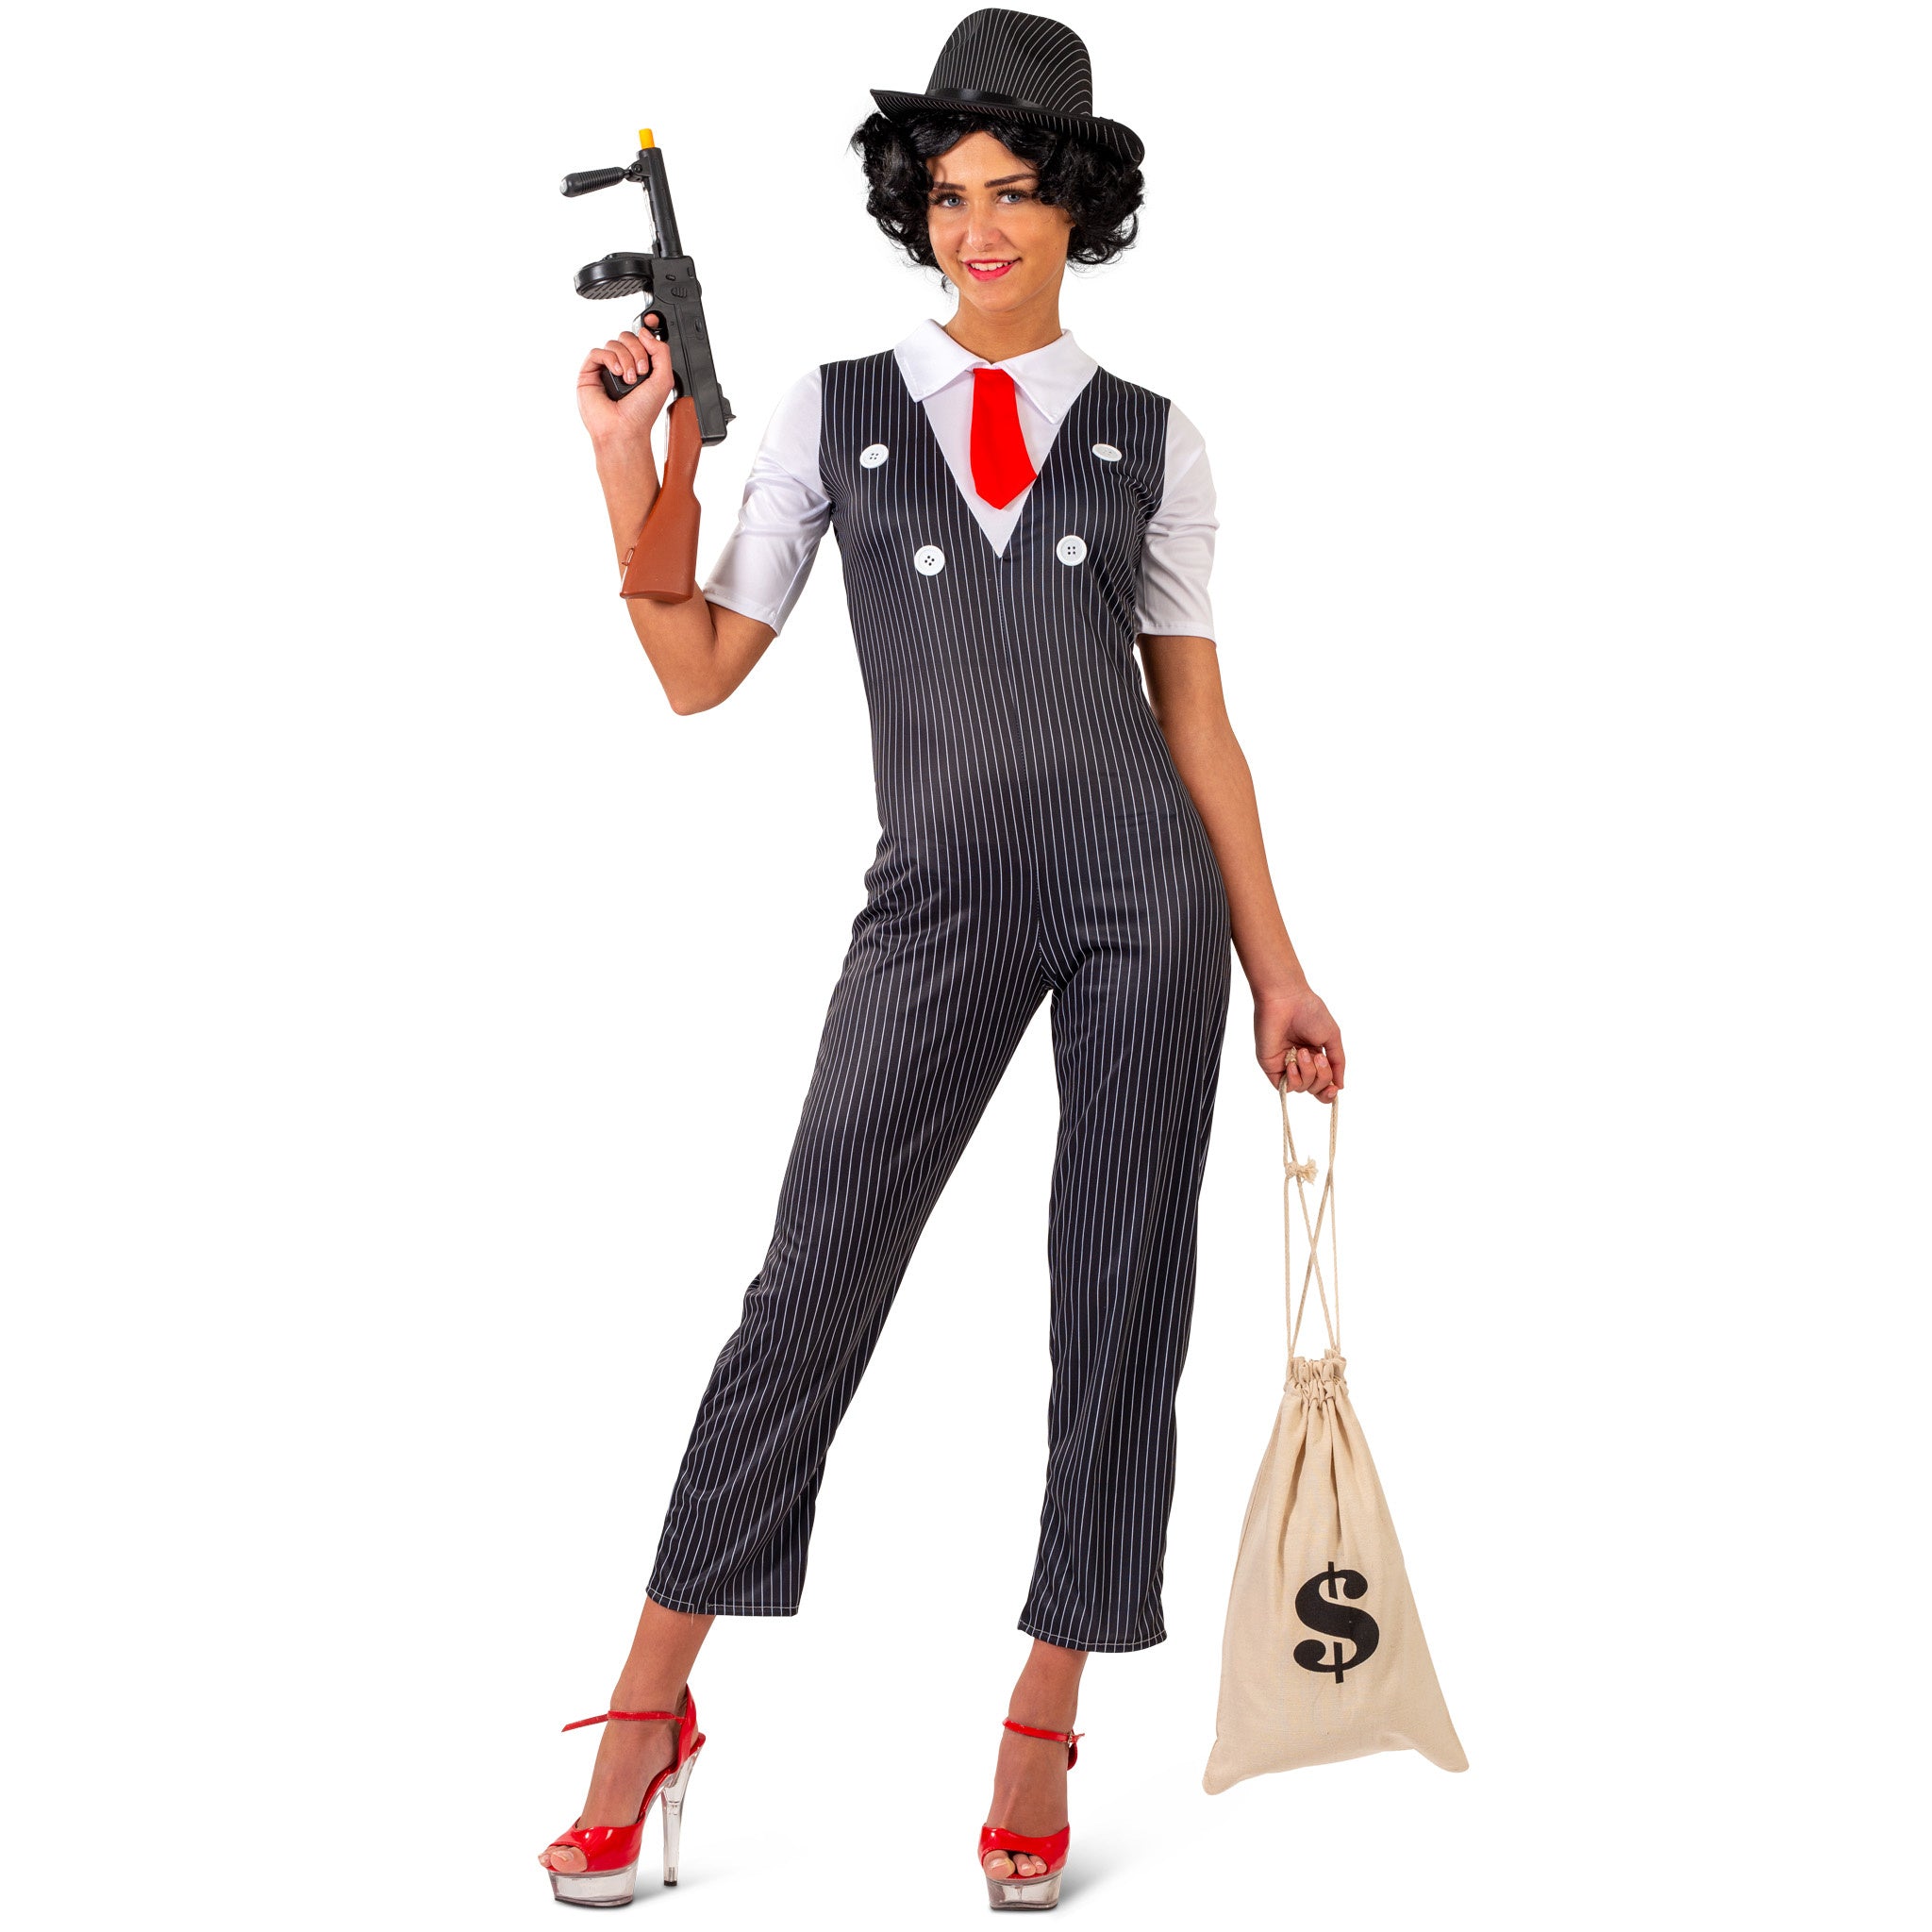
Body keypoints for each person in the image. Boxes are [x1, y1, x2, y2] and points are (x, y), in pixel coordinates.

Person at [540, 8, 1342, 1911]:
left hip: (1147, 898)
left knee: (1121, 1298)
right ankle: (646, 1713)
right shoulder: (830, 409)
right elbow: (696, 671)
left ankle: (1043, 1719)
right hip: (940, 903)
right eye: (950, 194)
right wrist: (629, 459)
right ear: (916, 204)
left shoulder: (1155, 440)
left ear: (1081, 208)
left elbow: (1199, 723)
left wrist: (1279, 967)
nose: (978, 230)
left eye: (1017, 194)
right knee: (808, 1287)